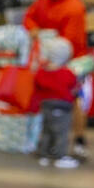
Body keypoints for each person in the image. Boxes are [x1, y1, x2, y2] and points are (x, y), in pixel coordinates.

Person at [24, 0, 89, 158]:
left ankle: (78, 141)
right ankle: (42, 141)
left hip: (70, 61)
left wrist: (56, 63)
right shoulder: (43, 0)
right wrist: (35, 31)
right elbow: (29, 18)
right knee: (41, 98)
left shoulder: (75, 8)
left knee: (75, 98)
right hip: (46, 58)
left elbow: (71, 44)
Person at [31, 36, 81, 168]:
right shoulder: (67, 73)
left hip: (45, 106)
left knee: (47, 130)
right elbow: (74, 87)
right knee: (61, 132)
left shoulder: (41, 72)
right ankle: (61, 156)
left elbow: (36, 87)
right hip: (62, 107)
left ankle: (44, 155)